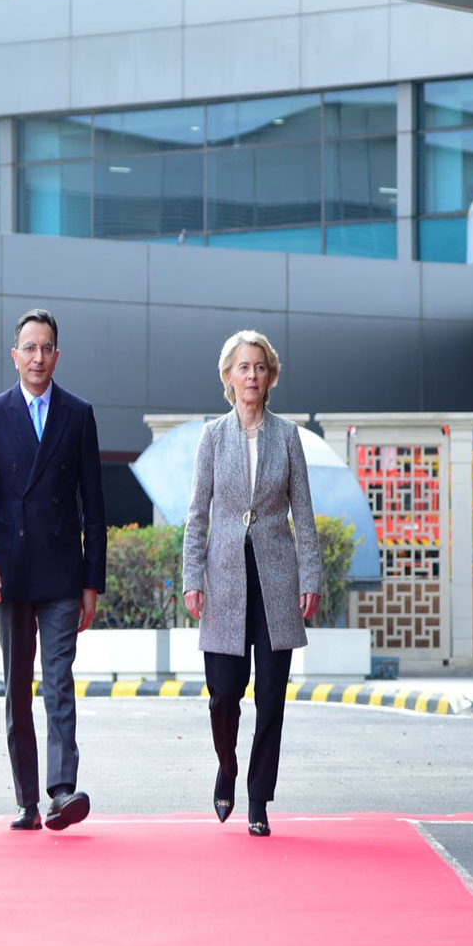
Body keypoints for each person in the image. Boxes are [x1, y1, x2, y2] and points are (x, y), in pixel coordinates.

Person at [0, 309, 106, 833]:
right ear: (15, 355)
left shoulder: (78, 413)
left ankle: (62, 791)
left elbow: (95, 505)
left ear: (57, 356)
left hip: (64, 574)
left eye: (47, 348)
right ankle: (26, 798)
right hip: (12, 575)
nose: (38, 357)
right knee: (17, 686)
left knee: (59, 680)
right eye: (30, 348)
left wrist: (93, 581)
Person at [182, 330, 321, 838]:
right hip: (222, 575)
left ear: (271, 376)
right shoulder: (212, 436)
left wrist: (312, 573)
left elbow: (302, 511)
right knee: (223, 694)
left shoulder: (287, 436)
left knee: (272, 696)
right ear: (228, 376)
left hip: (276, 575)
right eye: (243, 367)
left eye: (260, 367)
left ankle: (259, 798)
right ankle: (227, 765)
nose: (252, 376)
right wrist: (191, 577)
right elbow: (198, 512)